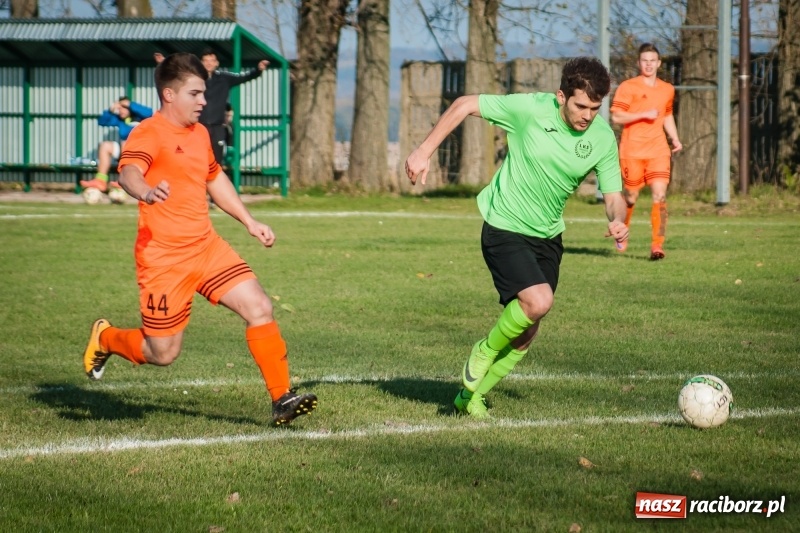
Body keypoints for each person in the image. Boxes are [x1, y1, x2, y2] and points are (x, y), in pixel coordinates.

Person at [82, 52, 317, 427]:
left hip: (206, 248)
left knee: (259, 306)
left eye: (204, 93)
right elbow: (128, 172)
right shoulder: (148, 132)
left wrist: (249, 221)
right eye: (195, 93)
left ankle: (282, 399)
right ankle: (107, 338)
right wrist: (143, 191)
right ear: (169, 95)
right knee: (163, 353)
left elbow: (214, 179)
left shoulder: (201, 133)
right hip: (163, 260)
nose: (204, 101)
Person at [404, 57, 628, 419]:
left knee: (527, 332)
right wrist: (423, 151)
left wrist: (618, 220)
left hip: (547, 235)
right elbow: (464, 104)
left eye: (595, 108)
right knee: (539, 302)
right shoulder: (530, 109)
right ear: (561, 96)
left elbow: (614, 196)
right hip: (504, 223)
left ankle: (469, 398)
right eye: (581, 106)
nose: (588, 115)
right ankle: (483, 349)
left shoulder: (601, 138)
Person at [610, 43, 683, 260]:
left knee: (659, 195)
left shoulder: (667, 89)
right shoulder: (628, 87)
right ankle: (622, 232)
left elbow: (666, 115)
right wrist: (642, 115)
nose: (649, 64)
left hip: (658, 150)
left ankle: (657, 246)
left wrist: (675, 137)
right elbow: (617, 116)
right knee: (631, 196)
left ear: (659, 63)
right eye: (645, 60)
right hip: (631, 151)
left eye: (653, 60)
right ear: (639, 63)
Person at [155, 50, 268, 165]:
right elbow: (178, 75)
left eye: (212, 60)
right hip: (197, 126)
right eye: (205, 61)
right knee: (194, 159)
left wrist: (258, 70)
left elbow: (245, 77)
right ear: (200, 63)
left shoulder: (224, 79)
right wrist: (164, 63)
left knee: (215, 161)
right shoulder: (194, 79)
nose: (209, 63)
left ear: (216, 63)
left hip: (217, 127)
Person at [80, 96, 153, 193]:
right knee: (105, 146)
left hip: (142, 151)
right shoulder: (119, 120)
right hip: (126, 150)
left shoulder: (140, 117)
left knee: (126, 142)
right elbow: (102, 122)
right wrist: (110, 110)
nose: (120, 111)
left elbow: (149, 113)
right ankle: (101, 181)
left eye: (123, 107)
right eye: (119, 108)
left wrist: (130, 104)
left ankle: (125, 180)